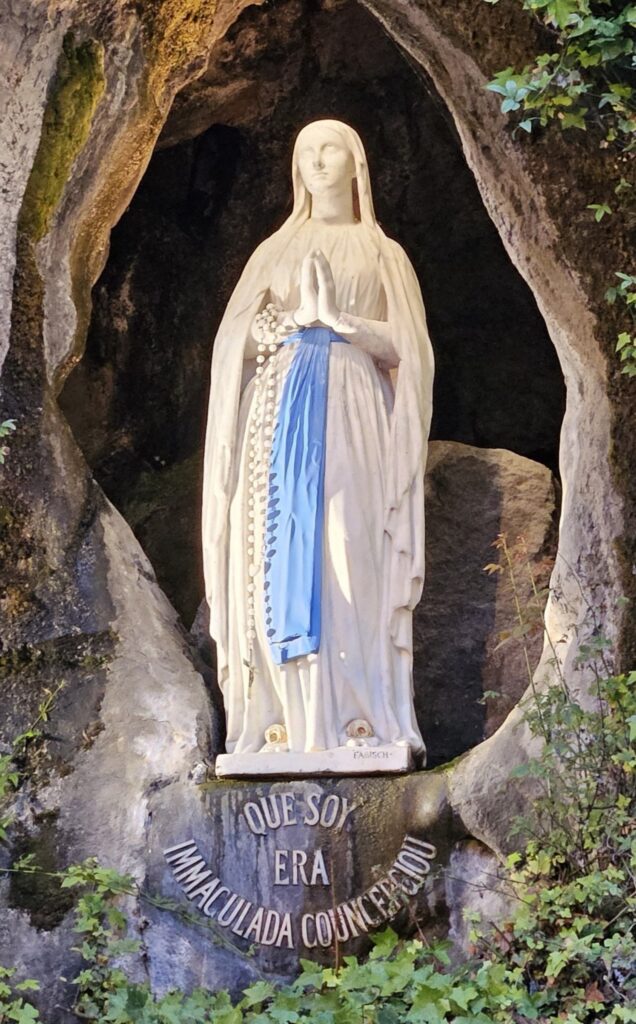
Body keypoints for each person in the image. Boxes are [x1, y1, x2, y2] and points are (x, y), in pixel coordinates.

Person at [202, 119, 434, 762]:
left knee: (348, 546)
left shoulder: (382, 253)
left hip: (351, 409)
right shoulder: (273, 252)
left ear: (357, 162)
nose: (316, 161)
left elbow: (408, 349)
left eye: (329, 148)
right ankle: (283, 722)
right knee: (271, 549)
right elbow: (232, 345)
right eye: (305, 151)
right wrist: (279, 327)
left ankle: (362, 717)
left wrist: (340, 320)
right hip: (275, 415)